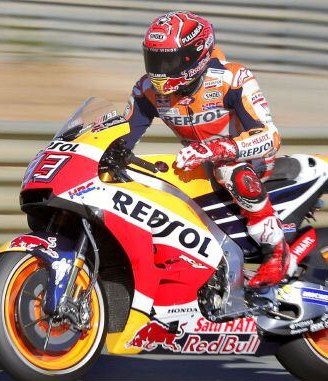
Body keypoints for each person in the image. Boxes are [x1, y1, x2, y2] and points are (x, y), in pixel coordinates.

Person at [123, 11, 295, 288]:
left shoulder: (232, 78)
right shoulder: (148, 90)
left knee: (227, 169)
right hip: (200, 164)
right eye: (154, 59)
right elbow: (124, 135)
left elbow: (271, 137)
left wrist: (218, 149)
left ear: (195, 56)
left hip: (249, 159)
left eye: (168, 60)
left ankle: (276, 248)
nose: (159, 68)